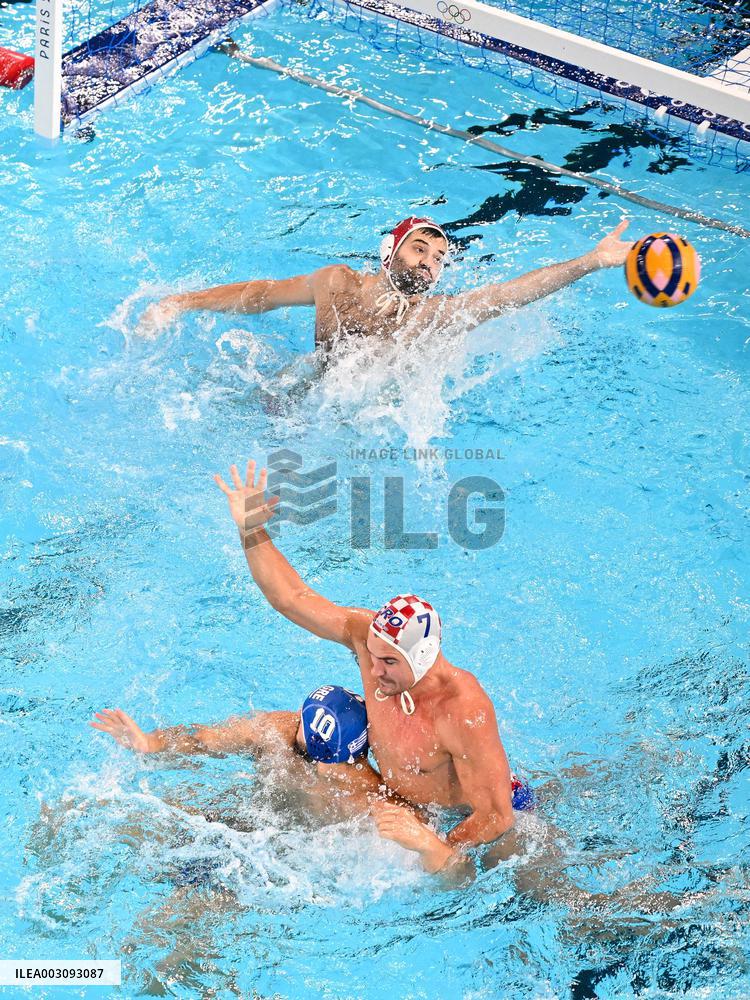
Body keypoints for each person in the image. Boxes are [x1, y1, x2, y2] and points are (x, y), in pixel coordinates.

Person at [215, 459, 533, 852]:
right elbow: (292, 599)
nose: (374, 670)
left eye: (389, 662)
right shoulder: (370, 643)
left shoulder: (463, 710)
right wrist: (252, 530)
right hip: (411, 810)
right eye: (372, 656)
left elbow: (495, 817)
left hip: (483, 820)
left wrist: (434, 850)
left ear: (424, 656)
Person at [89, 685, 469, 877]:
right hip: (240, 825)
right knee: (123, 822)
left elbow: (457, 870)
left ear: (330, 756)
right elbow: (204, 738)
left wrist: (425, 845)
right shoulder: (276, 730)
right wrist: (150, 742)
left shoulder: (370, 799)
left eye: (306, 724)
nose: (296, 723)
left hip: (282, 866)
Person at [138, 216, 634, 349]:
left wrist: (589, 261)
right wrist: (179, 303)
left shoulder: (430, 317)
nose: (429, 264)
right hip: (309, 389)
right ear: (389, 253)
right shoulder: (336, 283)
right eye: (420, 249)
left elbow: (506, 296)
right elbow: (259, 296)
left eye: (439, 259)